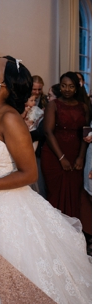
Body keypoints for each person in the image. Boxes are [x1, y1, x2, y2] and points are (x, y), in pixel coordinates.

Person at [0, 57, 92, 304]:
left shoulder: (10, 120)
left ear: (4, 86)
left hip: (6, 210)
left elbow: (29, 174)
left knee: (10, 284)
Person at [39, 71, 92, 233]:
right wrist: (61, 158)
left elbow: (86, 133)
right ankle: (54, 234)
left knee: (75, 196)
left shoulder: (84, 107)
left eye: (70, 86)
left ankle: (72, 236)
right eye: (63, 86)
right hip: (54, 155)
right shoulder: (53, 105)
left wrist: (81, 157)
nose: (67, 89)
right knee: (55, 195)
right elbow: (48, 132)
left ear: (76, 88)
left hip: (76, 154)